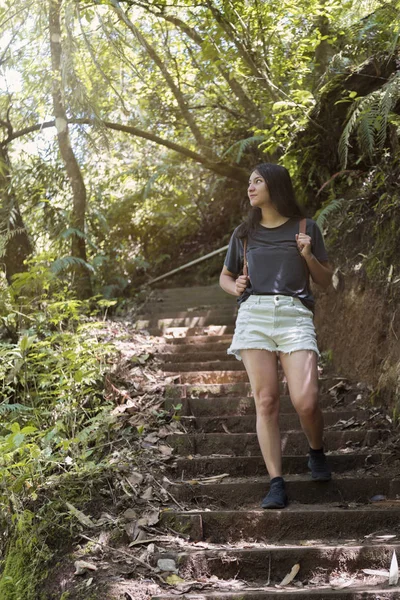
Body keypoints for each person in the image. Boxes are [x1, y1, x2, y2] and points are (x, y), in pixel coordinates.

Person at [219, 163, 333, 509]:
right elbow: (225, 277)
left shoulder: (305, 227)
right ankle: (276, 482)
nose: (251, 187)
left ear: (276, 186)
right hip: (254, 315)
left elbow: (325, 279)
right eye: (250, 182)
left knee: (306, 400)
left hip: (294, 314)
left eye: (258, 181)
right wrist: (234, 285)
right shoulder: (244, 233)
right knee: (266, 400)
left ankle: (316, 451)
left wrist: (308, 254)